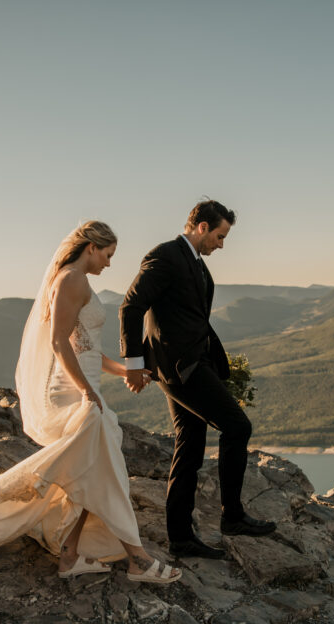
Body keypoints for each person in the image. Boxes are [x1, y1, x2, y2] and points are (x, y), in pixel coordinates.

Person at [0, 221, 180, 584]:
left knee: (90, 469)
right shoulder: (70, 280)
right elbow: (58, 343)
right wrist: (86, 391)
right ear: (91, 248)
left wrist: (127, 372)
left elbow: (88, 349)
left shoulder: (77, 280)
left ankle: (70, 556)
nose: (110, 264)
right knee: (102, 467)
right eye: (108, 255)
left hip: (84, 384)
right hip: (70, 390)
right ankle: (138, 560)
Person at [119, 199, 276, 560]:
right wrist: (133, 363)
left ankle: (180, 538)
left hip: (193, 363)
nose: (221, 244)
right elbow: (131, 305)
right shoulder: (166, 255)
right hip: (180, 368)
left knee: (190, 443)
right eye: (220, 236)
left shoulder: (195, 264)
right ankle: (232, 516)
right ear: (202, 227)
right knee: (237, 427)